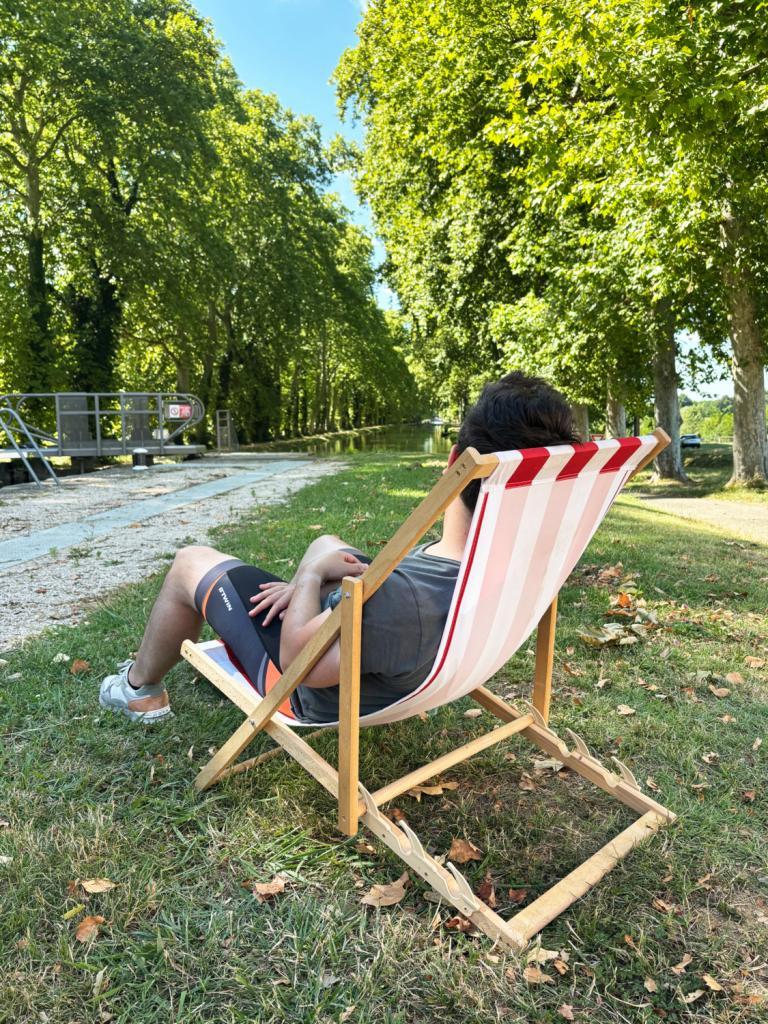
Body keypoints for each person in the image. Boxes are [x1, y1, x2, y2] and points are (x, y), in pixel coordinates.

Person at [99, 372, 579, 724]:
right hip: (407, 655)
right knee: (328, 543)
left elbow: (297, 666)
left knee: (189, 561)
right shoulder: (529, 568)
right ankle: (304, 584)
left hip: (312, 691)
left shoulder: (401, 599)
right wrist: (315, 572)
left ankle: (140, 689)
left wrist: (308, 579)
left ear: (455, 464)